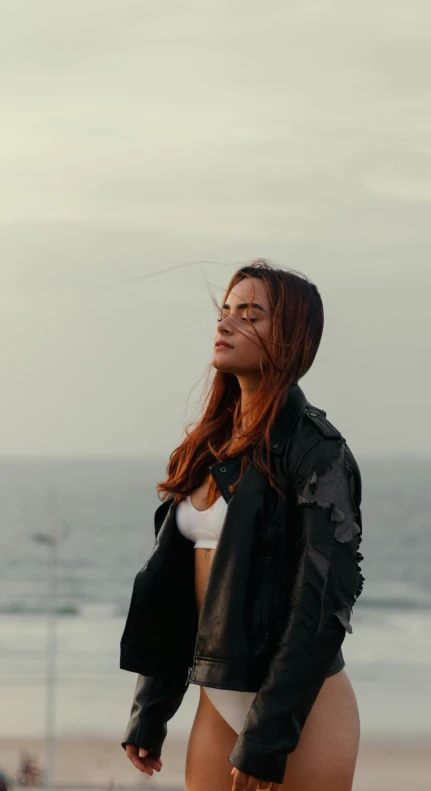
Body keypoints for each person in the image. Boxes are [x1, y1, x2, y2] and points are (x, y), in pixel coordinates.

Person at [120, 259, 365, 791]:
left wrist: (269, 736)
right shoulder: (210, 445)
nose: (226, 323)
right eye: (226, 310)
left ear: (292, 338)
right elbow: (176, 596)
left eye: (250, 314)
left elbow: (321, 603)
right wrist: (152, 707)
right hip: (219, 698)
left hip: (303, 712)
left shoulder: (316, 450)